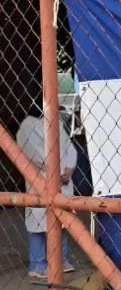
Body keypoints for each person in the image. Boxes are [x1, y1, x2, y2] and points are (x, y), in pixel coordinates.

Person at [17, 111, 77, 279]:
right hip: (40, 180)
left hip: (62, 180)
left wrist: (69, 169)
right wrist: (57, 169)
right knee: (38, 224)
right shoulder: (27, 126)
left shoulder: (55, 122)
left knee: (61, 222)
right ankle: (38, 264)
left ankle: (61, 260)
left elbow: (69, 148)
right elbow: (35, 153)